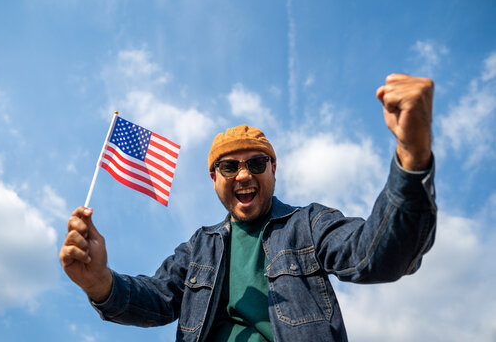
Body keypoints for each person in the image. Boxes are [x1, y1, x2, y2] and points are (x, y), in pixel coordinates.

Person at [60, 73, 437, 341]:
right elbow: (157, 300)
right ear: (214, 177)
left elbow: (377, 254)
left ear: (273, 170)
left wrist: (412, 156)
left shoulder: (309, 224)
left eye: (256, 164)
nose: (243, 175)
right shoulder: (198, 248)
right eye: (229, 166)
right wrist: (99, 282)